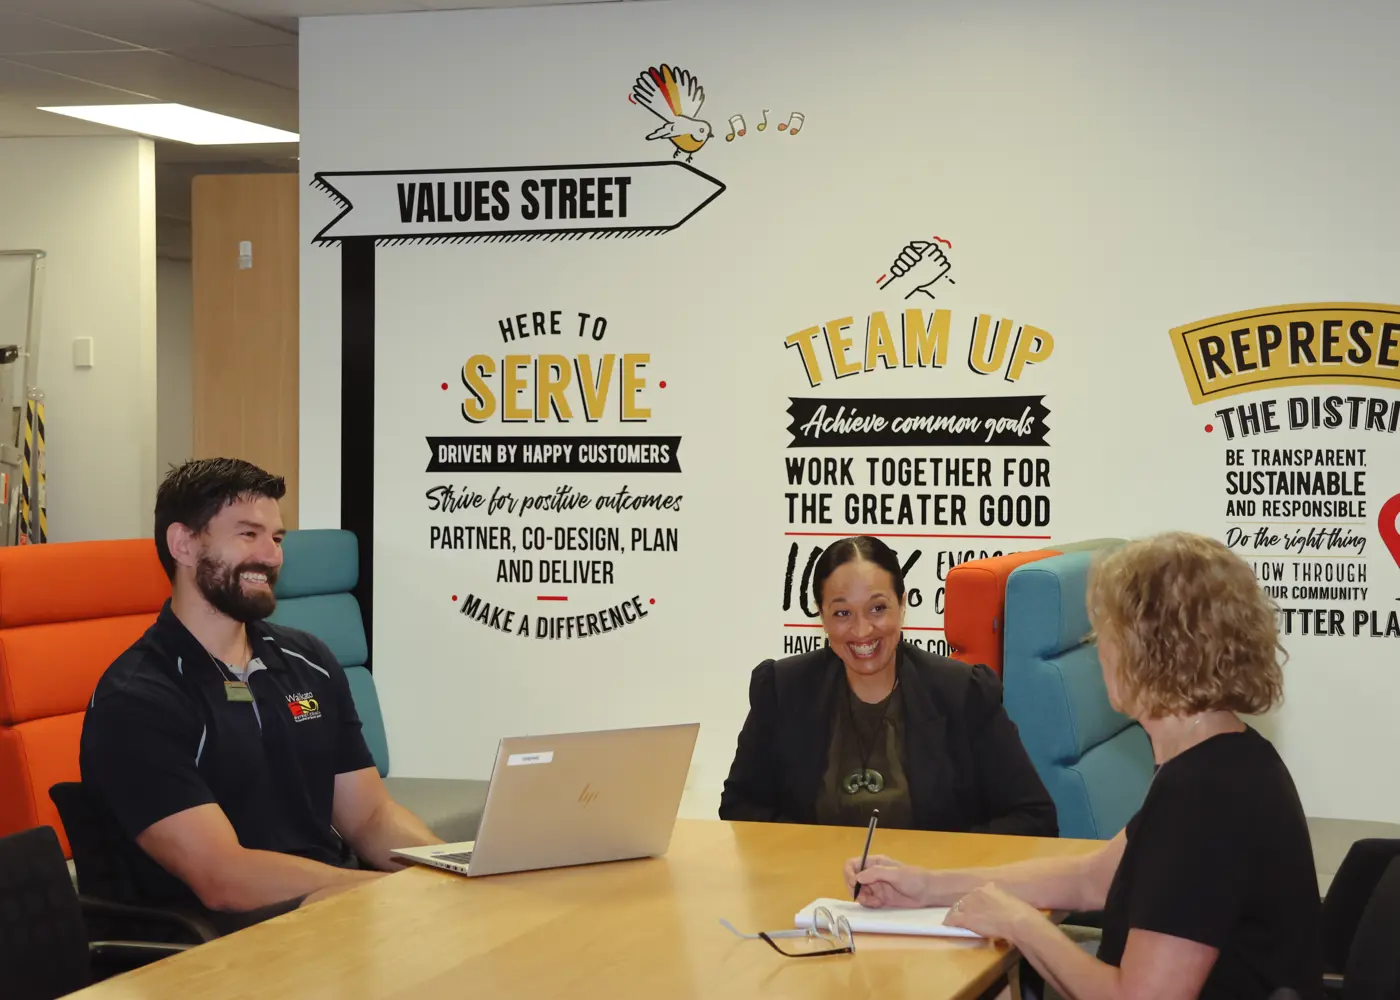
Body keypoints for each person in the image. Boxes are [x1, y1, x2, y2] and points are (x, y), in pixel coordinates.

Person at [845, 532, 1324, 1000]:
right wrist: (927, 885)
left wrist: (1019, 923)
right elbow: (1092, 879)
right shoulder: (1220, 756)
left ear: (1150, 650)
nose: (1101, 653)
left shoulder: (1205, 798)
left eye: (1106, 635)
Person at [80, 458, 443, 934]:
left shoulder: (308, 659)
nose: (272, 557)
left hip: (333, 911)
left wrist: (447, 870)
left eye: (277, 538)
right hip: (225, 946)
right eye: (248, 534)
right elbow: (224, 877)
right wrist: (375, 893)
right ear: (183, 544)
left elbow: (372, 816)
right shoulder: (138, 698)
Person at [719, 535, 1057, 836]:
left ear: (902, 605)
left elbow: (1033, 818)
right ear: (821, 616)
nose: (863, 630)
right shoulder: (782, 689)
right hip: (812, 892)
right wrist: (817, 857)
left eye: (878, 608)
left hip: (930, 894)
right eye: (842, 613)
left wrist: (933, 872)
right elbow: (740, 807)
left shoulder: (962, 693)